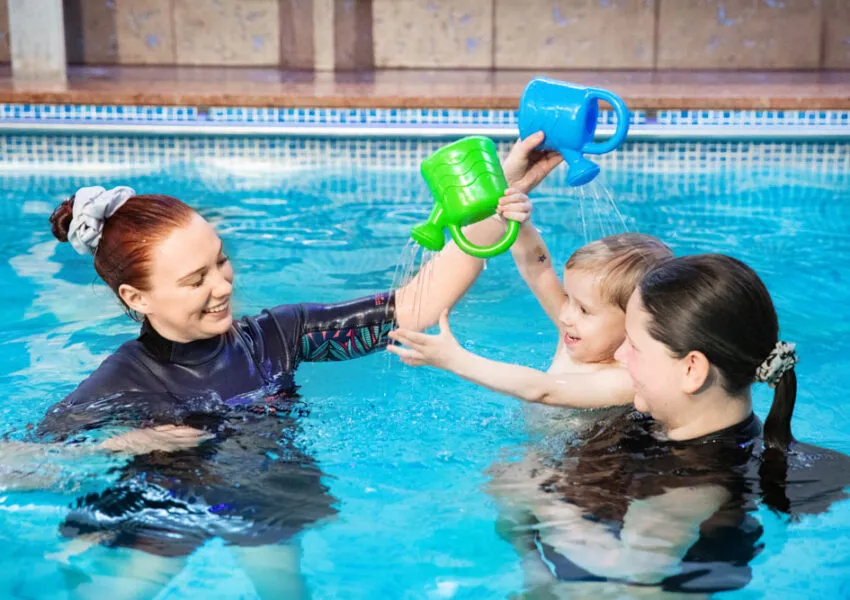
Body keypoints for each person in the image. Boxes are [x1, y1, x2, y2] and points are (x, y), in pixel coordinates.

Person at [32, 134, 559, 598]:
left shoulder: (275, 337)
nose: (222, 285)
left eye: (220, 261)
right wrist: (126, 444)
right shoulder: (121, 379)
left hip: (265, 492)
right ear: (136, 297)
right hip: (163, 503)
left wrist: (496, 197)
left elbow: (414, 307)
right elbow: (19, 463)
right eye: (195, 280)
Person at [489, 254, 850, 596]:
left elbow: (631, 570)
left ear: (691, 370)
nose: (617, 355)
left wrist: (539, 494)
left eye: (633, 345)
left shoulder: (697, 485)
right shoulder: (652, 421)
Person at [387, 226, 673, 411]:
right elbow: (538, 270)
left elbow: (542, 391)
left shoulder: (625, 380)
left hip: (583, 472)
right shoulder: (575, 330)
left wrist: (455, 360)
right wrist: (519, 224)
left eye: (583, 309)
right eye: (569, 300)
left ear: (632, 323)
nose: (564, 314)